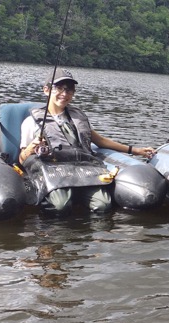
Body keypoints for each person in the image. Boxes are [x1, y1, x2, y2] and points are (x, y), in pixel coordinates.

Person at [19, 68, 156, 215]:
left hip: (83, 170)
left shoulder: (78, 118)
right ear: (46, 90)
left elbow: (101, 141)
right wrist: (32, 147)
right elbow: (21, 159)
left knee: (103, 205)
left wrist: (135, 150)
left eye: (70, 90)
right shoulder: (31, 122)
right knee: (60, 206)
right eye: (59, 88)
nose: (64, 94)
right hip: (55, 173)